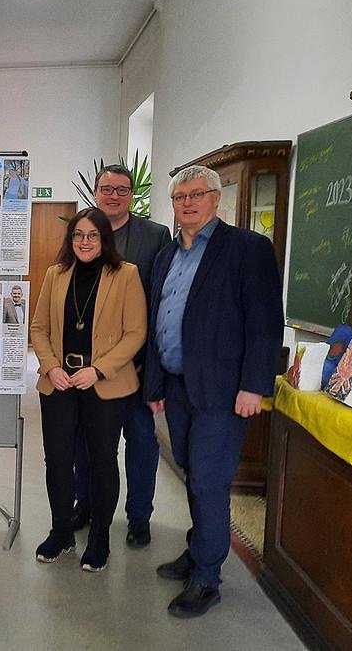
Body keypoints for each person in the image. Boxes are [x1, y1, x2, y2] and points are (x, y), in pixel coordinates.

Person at [145, 165, 282, 618]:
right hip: (180, 386)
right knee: (190, 470)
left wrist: (253, 387)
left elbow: (264, 323)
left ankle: (206, 576)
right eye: (179, 196)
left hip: (224, 392)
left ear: (215, 199)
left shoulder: (247, 249)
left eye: (196, 194)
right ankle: (198, 546)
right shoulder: (167, 256)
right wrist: (157, 382)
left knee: (208, 478)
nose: (187, 203)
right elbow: (158, 322)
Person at [29, 207, 146, 572]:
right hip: (60, 383)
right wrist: (51, 367)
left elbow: (136, 334)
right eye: (78, 235)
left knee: (102, 461)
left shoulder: (126, 275)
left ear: (104, 239)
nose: (84, 241)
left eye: (93, 235)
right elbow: (39, 328)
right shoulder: (55, 274)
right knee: (59, 460)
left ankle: (100, 540)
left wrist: (98, 370)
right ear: (71, 239)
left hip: (104, 385)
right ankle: (61, 531)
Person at [72, 164, 171, 548]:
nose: (113, 195)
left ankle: (139, 516)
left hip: (136, 363)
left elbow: (160, 300)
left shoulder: (155, 236)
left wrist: (149, 359)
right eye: (106, 188)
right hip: (88, 367)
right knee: (88, 439)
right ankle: (87, 503)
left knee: (142, 439)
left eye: (121, 189)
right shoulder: (83, 233)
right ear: (96, 192)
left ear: (131, 194)